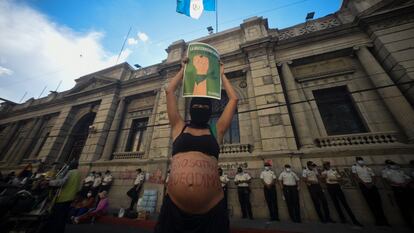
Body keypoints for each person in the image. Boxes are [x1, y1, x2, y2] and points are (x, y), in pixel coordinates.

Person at [154, 56, 238, 233]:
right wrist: (183, 71)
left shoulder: (217, 130)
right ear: (191, 109)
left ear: (211, 110)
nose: (200, 107)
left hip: (211, 212)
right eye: (197, 105)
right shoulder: (179, 126)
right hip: (173, 211)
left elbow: (233, 100)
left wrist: (222, 75)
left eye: (205, 106)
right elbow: (170, 91)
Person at [42, 160, 81, 233]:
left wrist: (49, 182)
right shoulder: (78, 174)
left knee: (57, 216)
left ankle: (53, 230)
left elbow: (61, 182)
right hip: (70, 198)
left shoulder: (70, 173)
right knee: (63, 217)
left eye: (70, 165)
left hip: (62, 198)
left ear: (72, 165)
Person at [321, 162, 362, 227]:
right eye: (326, 165)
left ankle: (353, 219)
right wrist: (324, 178)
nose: (327, 166)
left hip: (337, 186)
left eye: (328, 164)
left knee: (344, 203)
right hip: (330, 187)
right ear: (324, 166)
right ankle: (342, 218)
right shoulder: (323, 172)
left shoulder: (334, 171)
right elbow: (323, 181)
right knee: (336, 204)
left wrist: (335, 179)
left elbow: (340, 178)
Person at [351, 157, 389, 226]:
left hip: (372, 185)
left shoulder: (367, 168)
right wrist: (364, 183)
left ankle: (384, 220)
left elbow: (374, 176)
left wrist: (372, 183)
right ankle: (378, 221)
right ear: (357, 161)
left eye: (361, 160)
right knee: (370, 203)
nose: (361, 161)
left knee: (378, 203)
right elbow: (355, 176)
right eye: (359, 160)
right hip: (364, 185)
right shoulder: (354, 167)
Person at [382, 160, 412, 227]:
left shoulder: (399, 170)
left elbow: (408, 178)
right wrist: (398, 184)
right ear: (387, 165)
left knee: (410, 204)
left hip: (406, 188)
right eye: (390, 164)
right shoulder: (386, 171)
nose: (393, 165)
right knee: (403, 206)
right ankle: (409, 223)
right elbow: (386, 180)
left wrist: (404, 183)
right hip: (397, 189)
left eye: (393, 163)